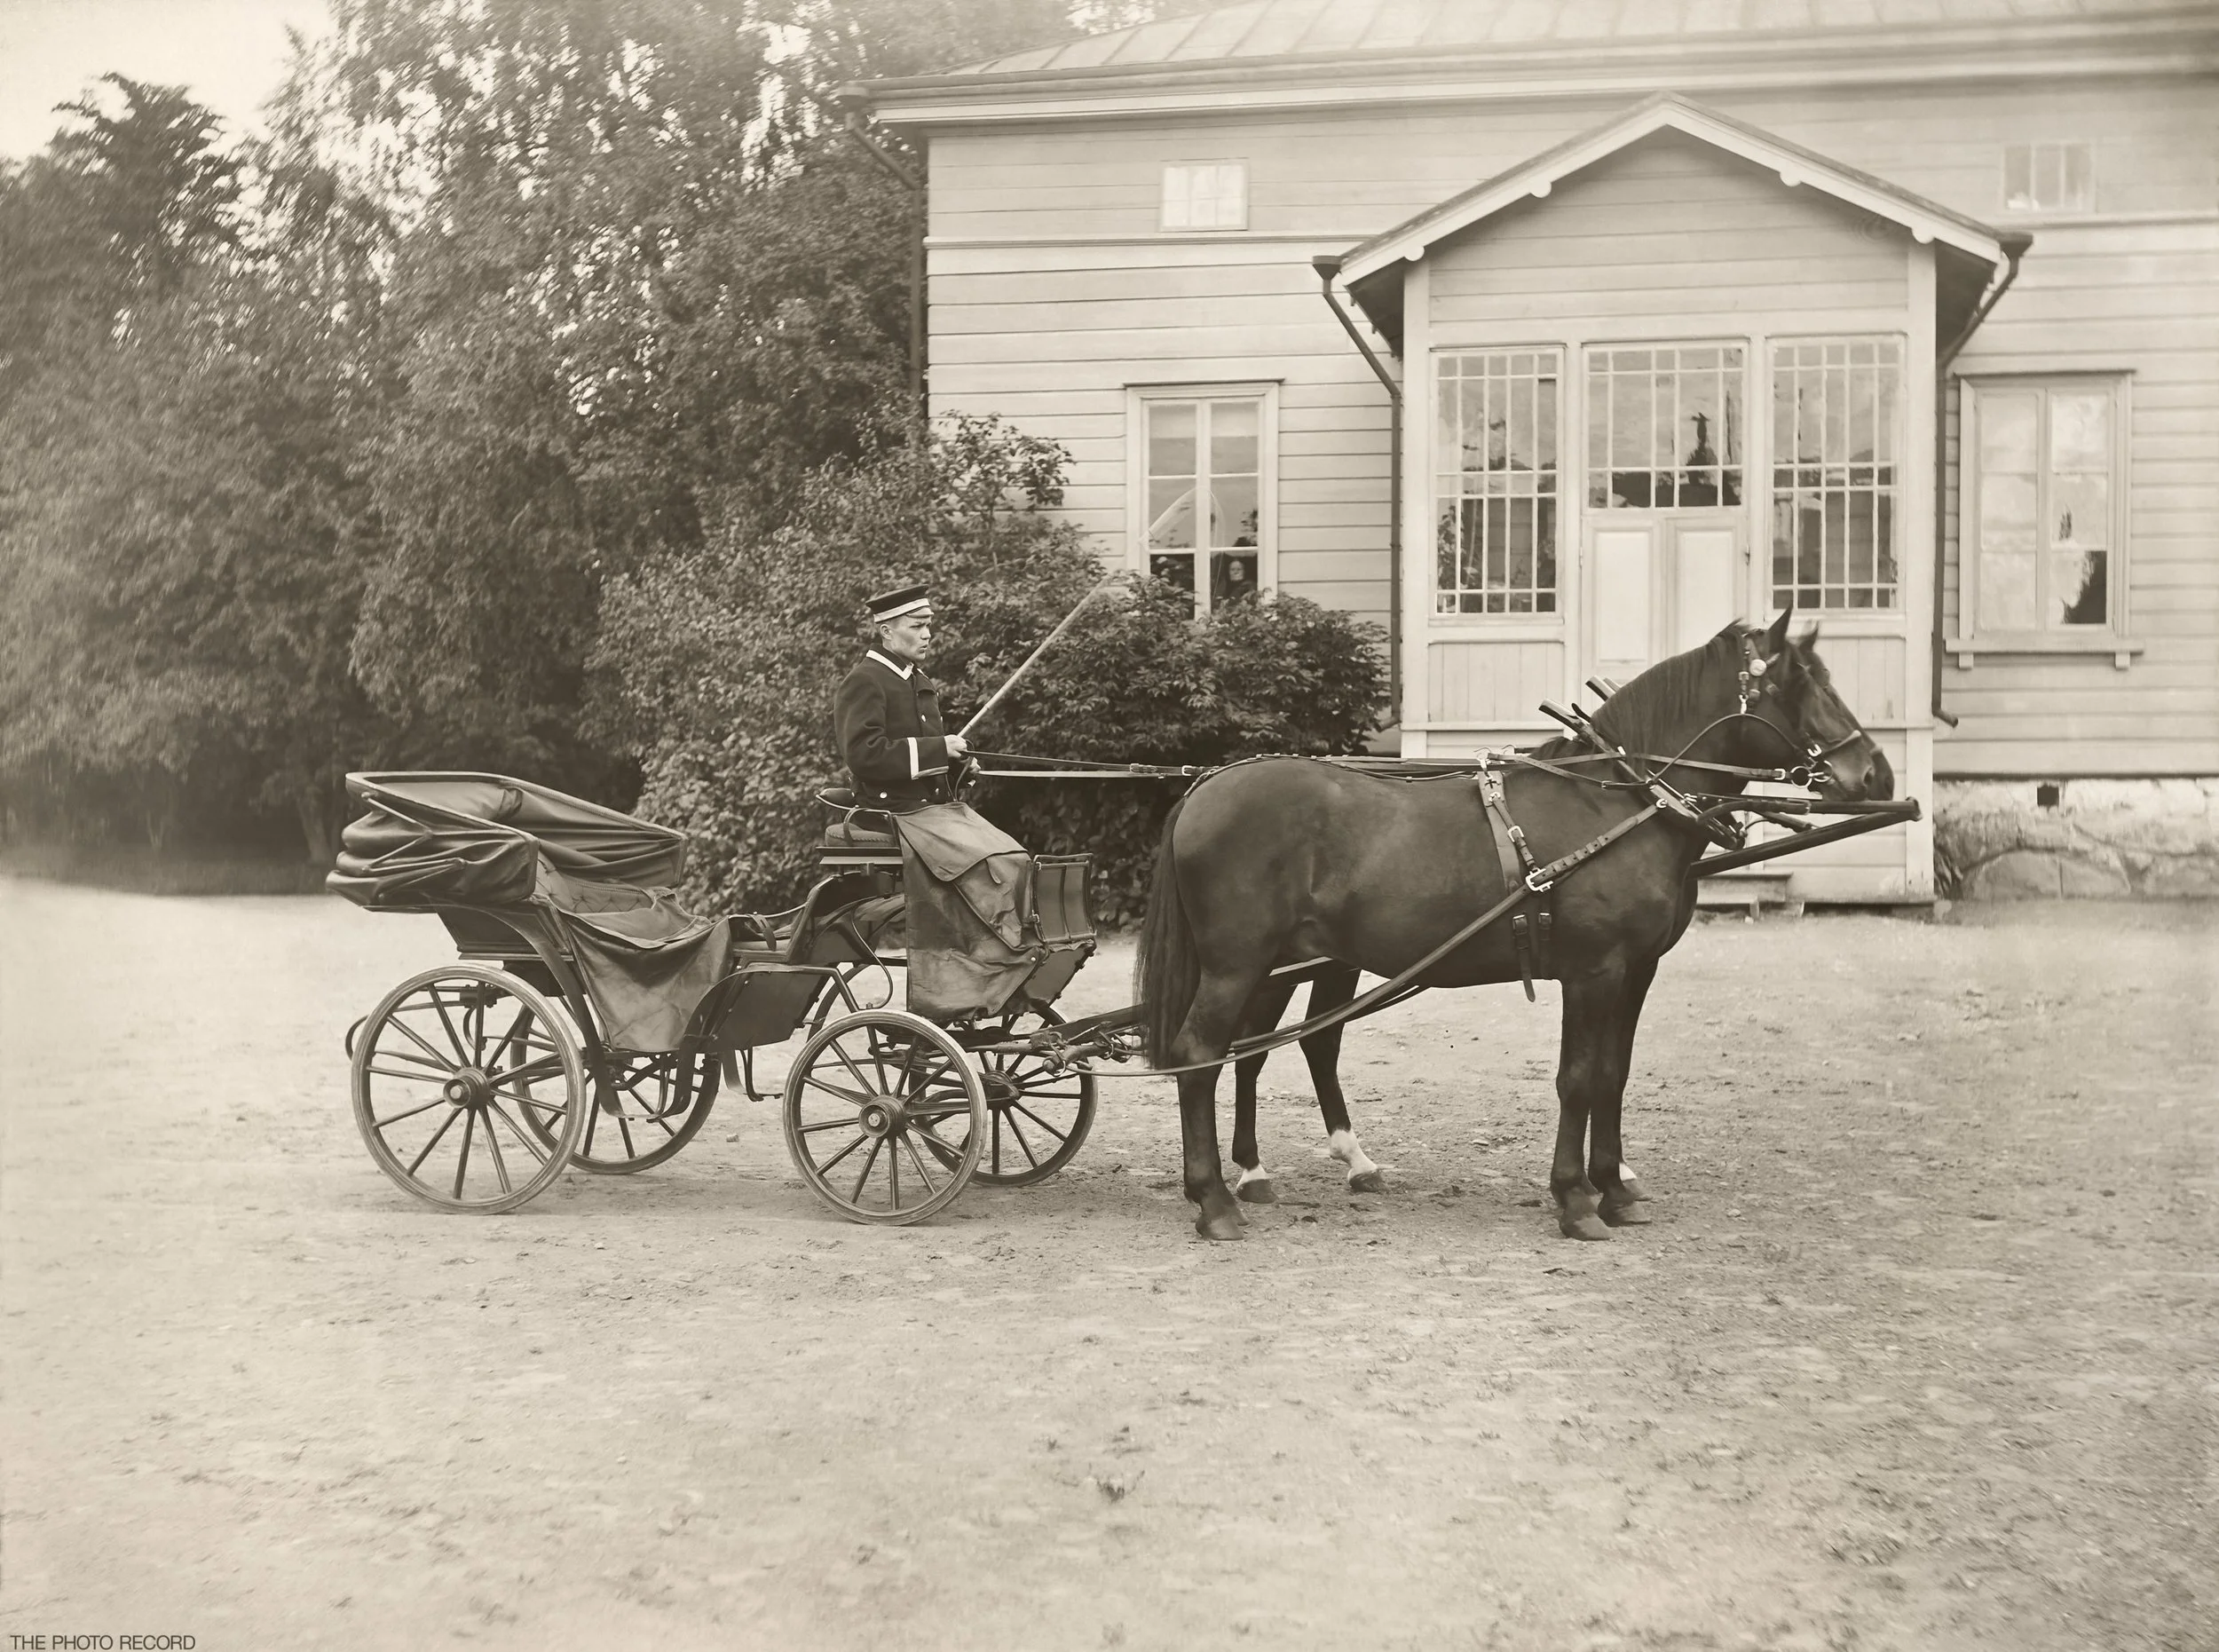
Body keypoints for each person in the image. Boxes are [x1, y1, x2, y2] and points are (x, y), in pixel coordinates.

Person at [832, 584, 1039, 1021]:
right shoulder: (865, 681)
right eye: (917, 626)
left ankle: (994, 974)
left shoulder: (917, 681)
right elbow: (864, 755)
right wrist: (935, 750)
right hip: (895, 814)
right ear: (887, 631)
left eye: (929, 626)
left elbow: (928, 761)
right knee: (991, 864)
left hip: (935, 810)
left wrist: (959, 766)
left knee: (1015, 858)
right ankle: (957, 987)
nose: (927, 635)